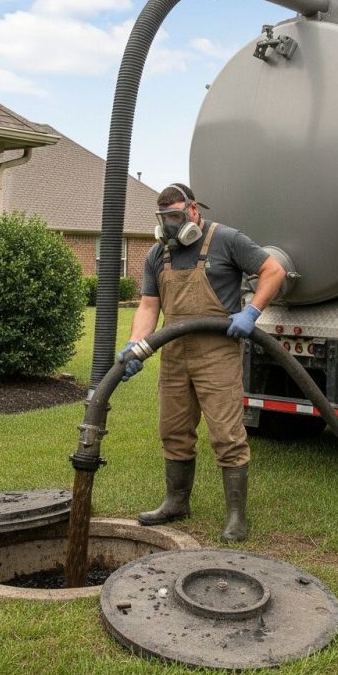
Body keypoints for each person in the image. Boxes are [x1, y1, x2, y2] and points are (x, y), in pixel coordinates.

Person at [117, 183, 286, 542]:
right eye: (164, 218)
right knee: (173, 430)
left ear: (193, 210)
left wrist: (252, 312)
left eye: (176, 216)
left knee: (227, 434)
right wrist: (135, 344)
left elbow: (273, 270)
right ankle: (176, 503)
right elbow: (149, 306)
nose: (171, 225)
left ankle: (236, 517)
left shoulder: (227, 239)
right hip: (174, 352)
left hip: (217, 353)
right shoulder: (158, 253)